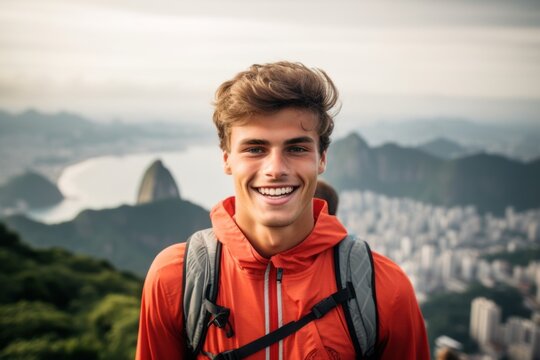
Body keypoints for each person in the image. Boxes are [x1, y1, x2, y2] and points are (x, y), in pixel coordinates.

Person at [136, 61, 429, 359]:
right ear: (227, 159)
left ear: (322, 159)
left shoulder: (383, 289)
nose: (275, 169)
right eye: (255, 149)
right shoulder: (176, 280)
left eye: (297, 149)